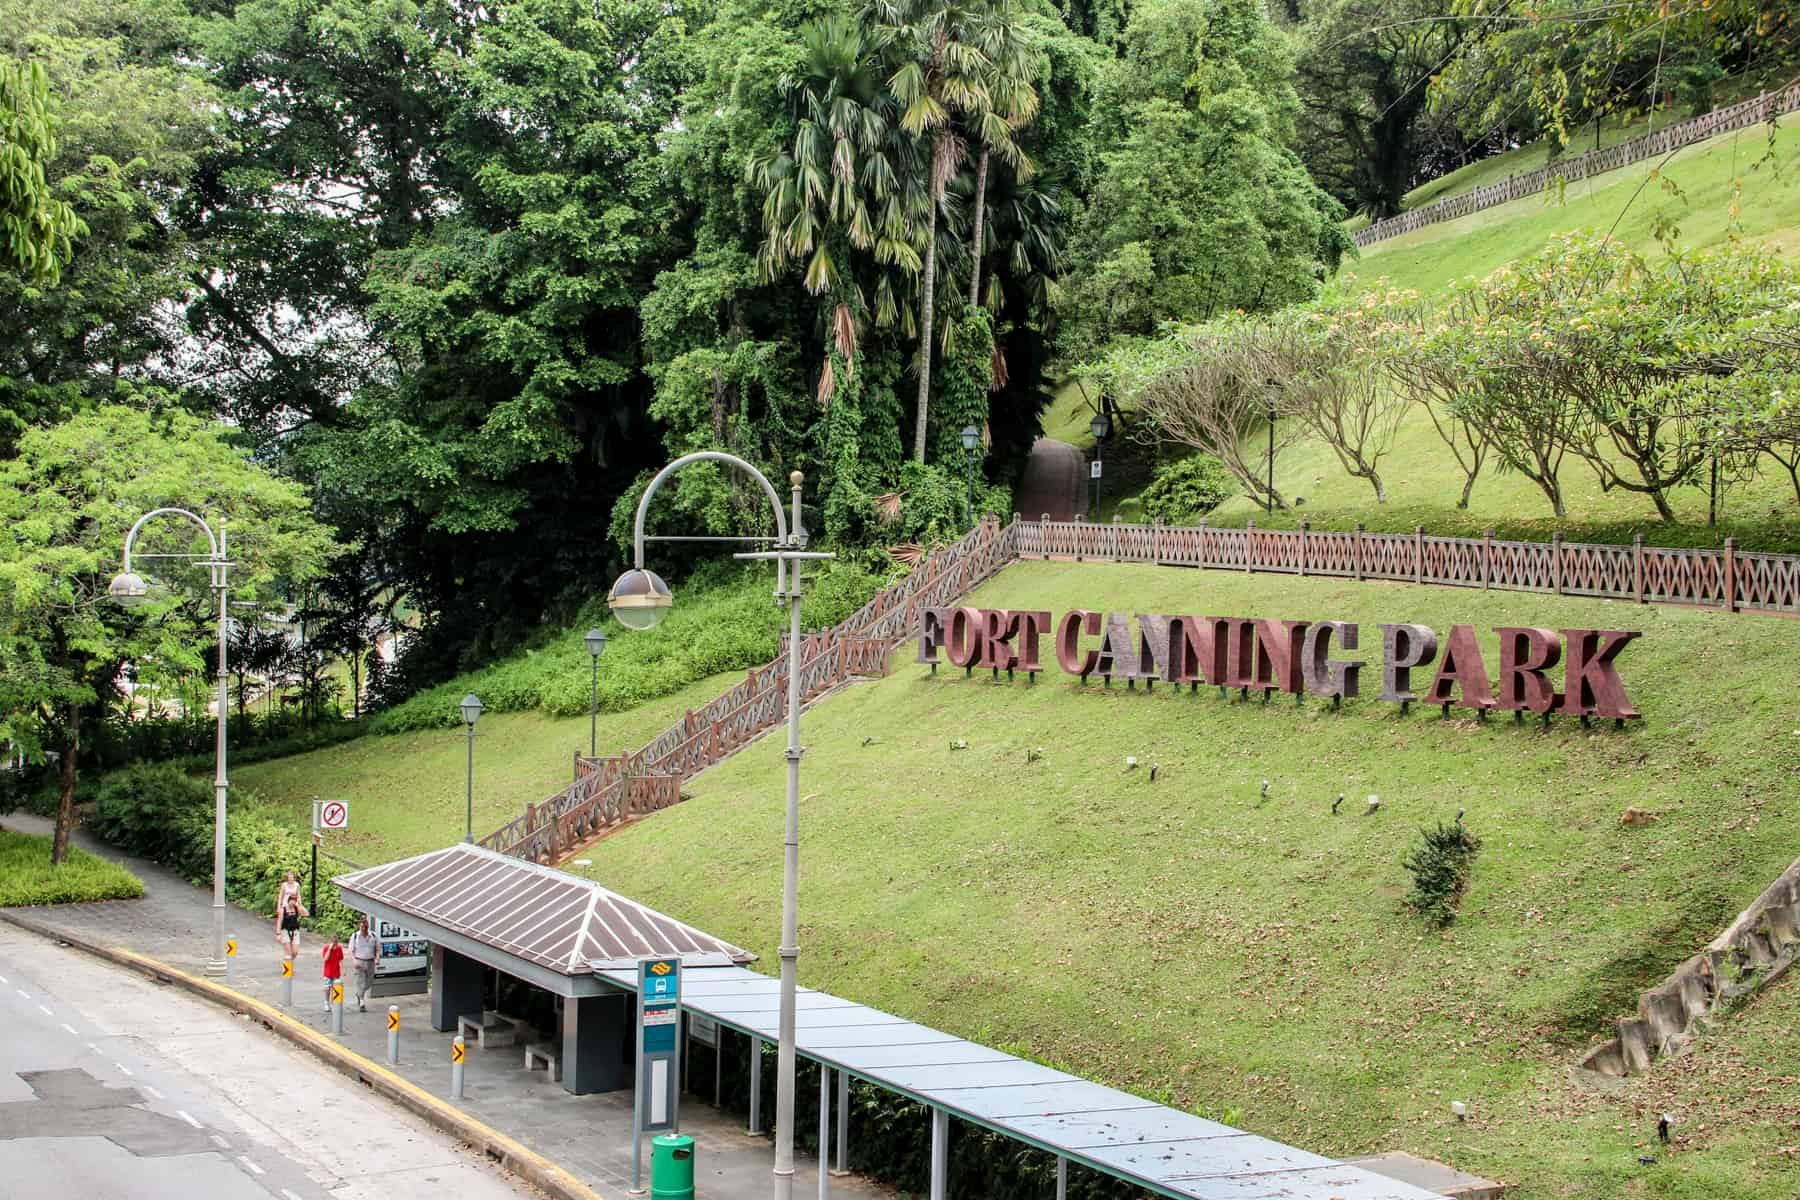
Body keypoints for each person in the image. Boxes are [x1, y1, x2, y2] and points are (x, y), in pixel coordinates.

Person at [348, 918, 379, 1012]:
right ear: (359, 926)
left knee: (369, 983)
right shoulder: (355, 936)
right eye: (361, 927)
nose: (363, 928)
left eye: (365, 926)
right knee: (360, 982)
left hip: (370, 961)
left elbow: (377, 948)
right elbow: (351, 950)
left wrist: (377, 958)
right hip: (359, 961)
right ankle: (362, 1002)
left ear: (367, 926)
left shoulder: (373, 935)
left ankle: (359, 993)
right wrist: (354, 961)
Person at [321, 933, 345, 1016]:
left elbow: (341, 959)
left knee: (336, 989)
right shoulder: (326, 948)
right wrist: (330, 949)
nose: (335, 944)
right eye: (334, 942)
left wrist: (342, 969)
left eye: (336, 942)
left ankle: (334, 1003)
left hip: (336, 972)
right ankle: (326, 1002)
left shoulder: (339, 948)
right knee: (327, 988)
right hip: (328, 972)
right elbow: (325, 958)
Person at [276, 894, 304, 958]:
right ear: (288, 901)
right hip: (285, 930)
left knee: (295, 952)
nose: (293, 903)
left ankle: (290, 963)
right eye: (292, 901)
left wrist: (300, 905)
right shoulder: (283, 910)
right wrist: (278, 934)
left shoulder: (297, 909)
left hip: (295, 931)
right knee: (288, 952)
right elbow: (279, 921)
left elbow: (305, 913)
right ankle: (287, 966)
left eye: (294, 901)